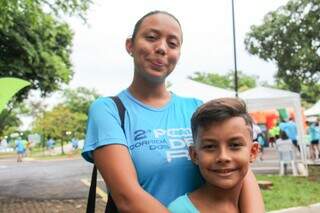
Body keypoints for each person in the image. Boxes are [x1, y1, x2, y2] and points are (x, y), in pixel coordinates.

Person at [82, 11, 264, 212]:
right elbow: (127, 198)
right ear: (130, 45)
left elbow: (242, 171)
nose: (161, 48)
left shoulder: (196, 107)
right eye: (151, 37)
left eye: (172, 43)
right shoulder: (109, 110)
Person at [168, 98, 260, 213]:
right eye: (210, 147)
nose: (223, 157)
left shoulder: (251, 204)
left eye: (235, 145)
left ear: (253, 152)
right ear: (194, 155)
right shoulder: (179, 210)